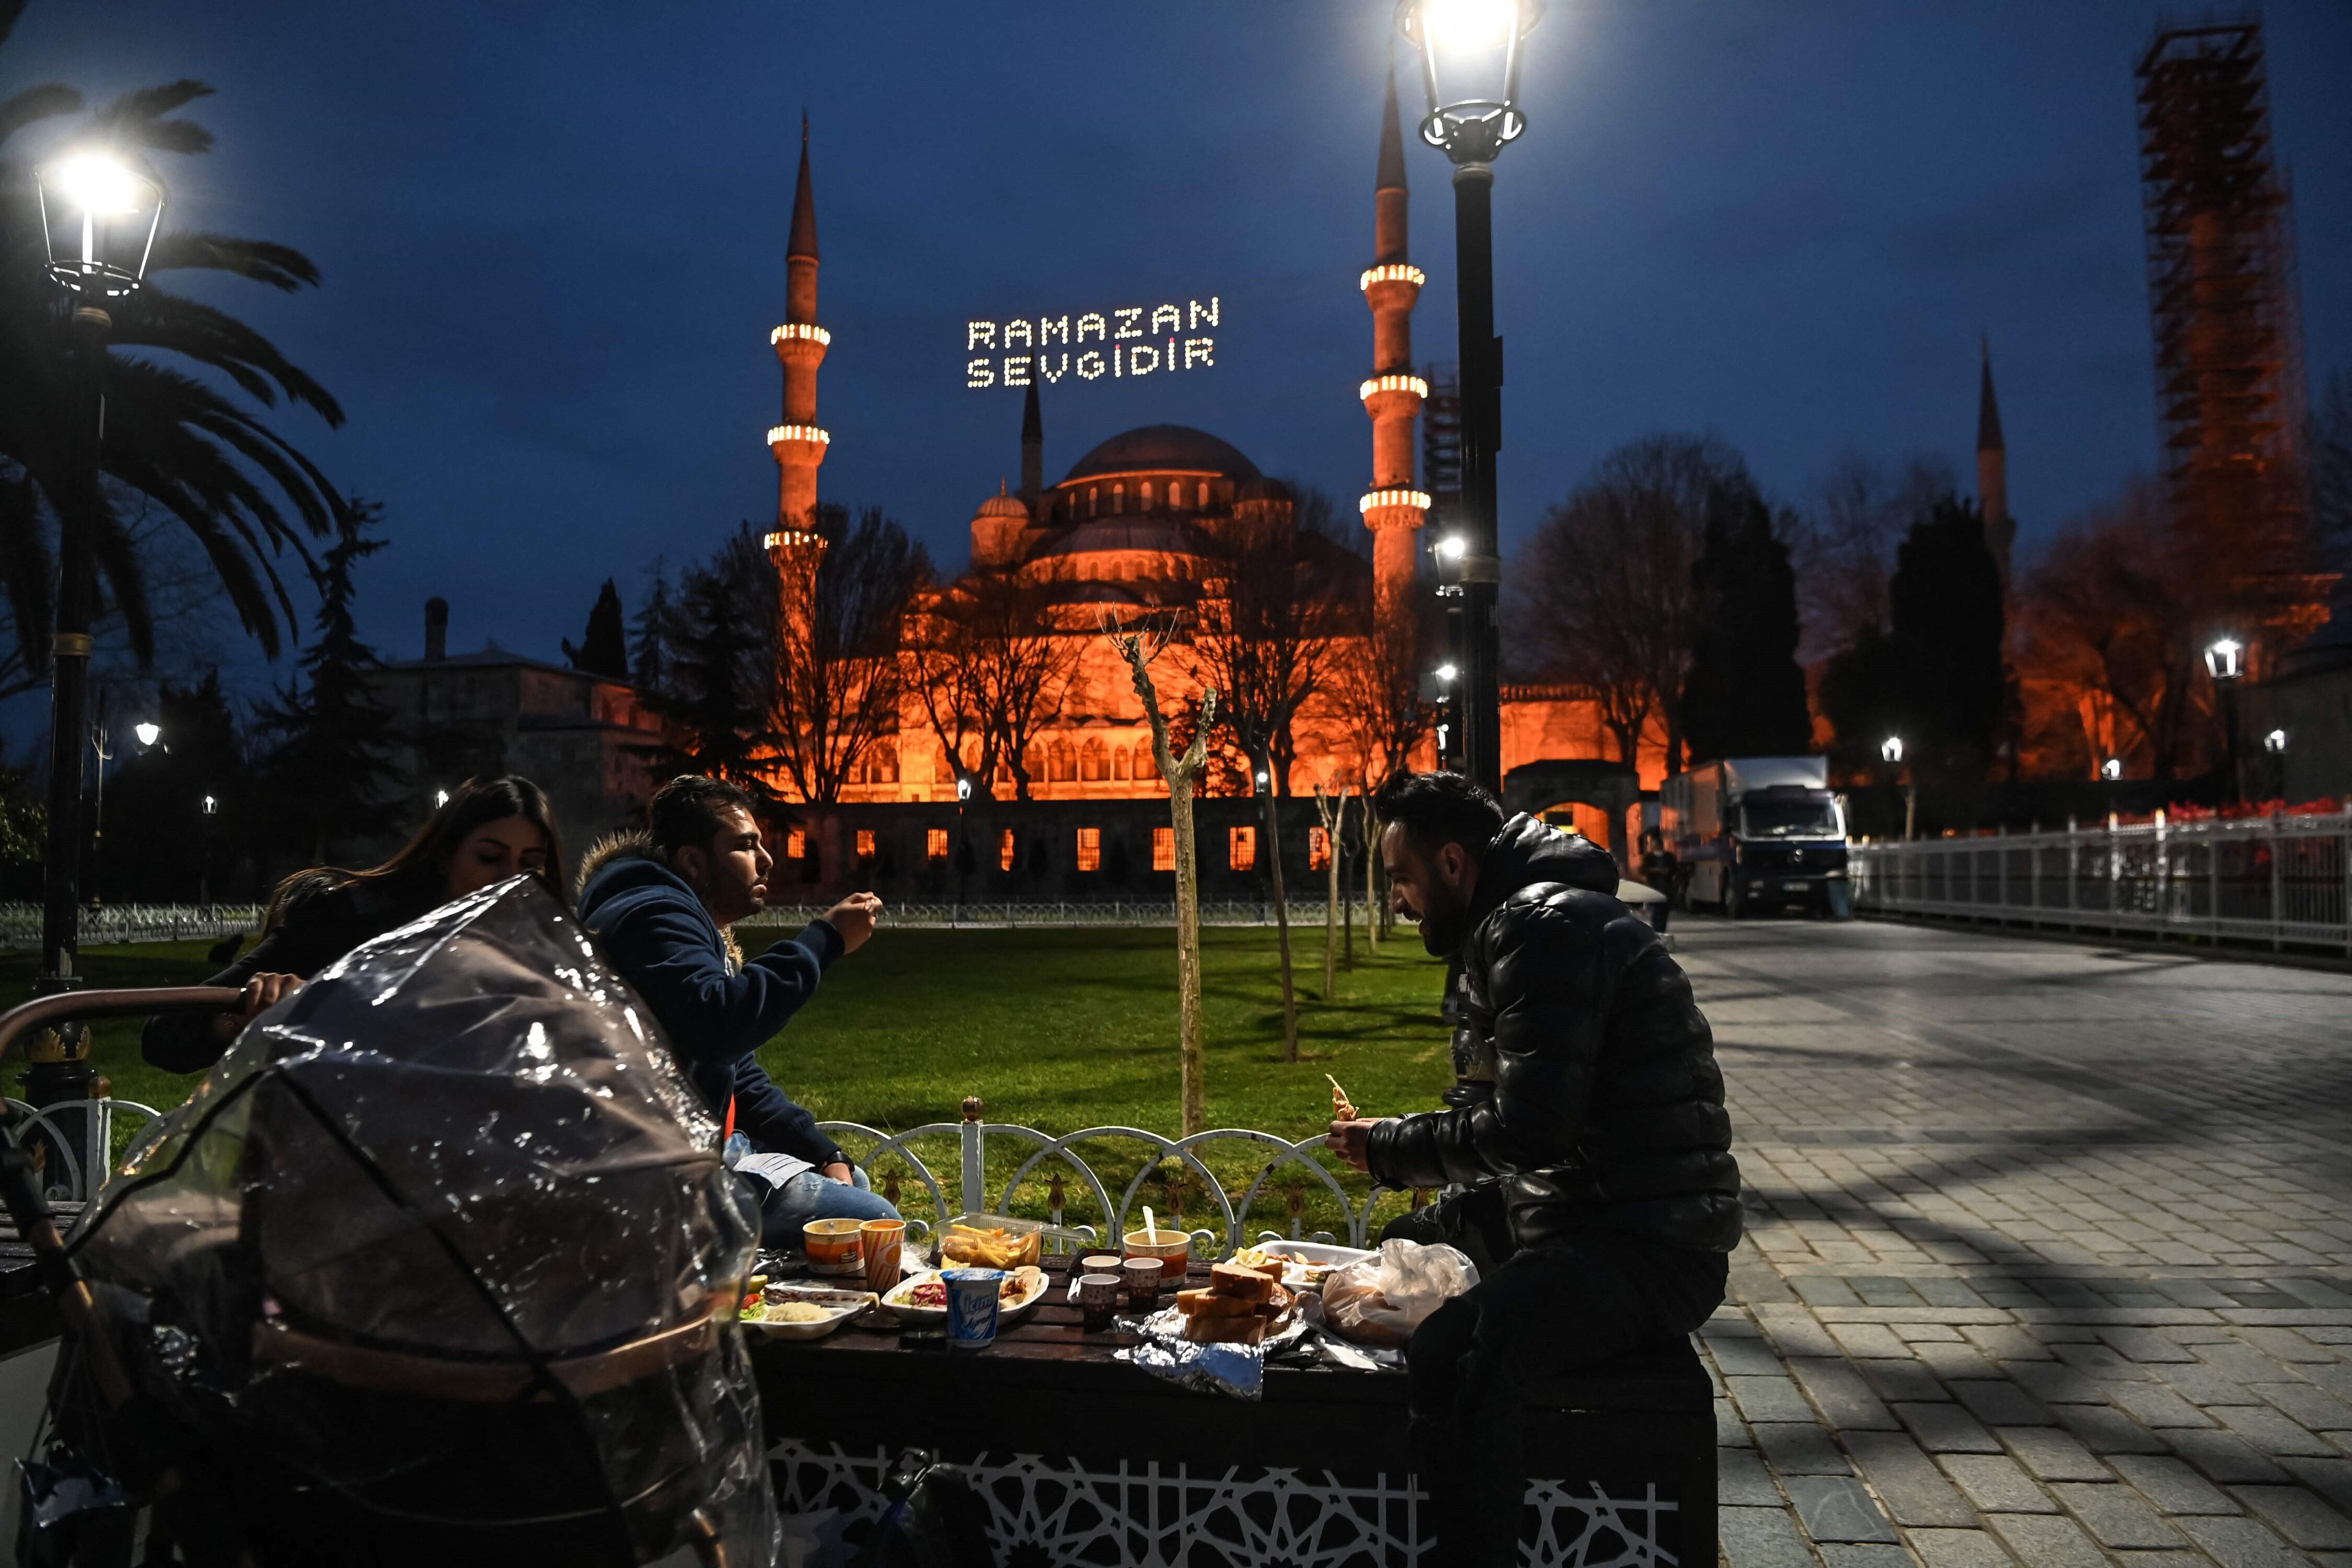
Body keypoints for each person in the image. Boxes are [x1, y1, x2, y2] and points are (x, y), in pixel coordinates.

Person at [1325, 771, 1740, 1568]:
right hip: (1589, 1212)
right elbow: (1503, 1104)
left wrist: (1392, 1148)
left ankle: (1477, 1552)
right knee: (1413, 1244)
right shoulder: (1520, 923)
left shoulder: (1541, 926)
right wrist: (1424, 1192)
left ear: (1452, 865)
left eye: (1403, 881)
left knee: (1465, 1346)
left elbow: (1532, 1128)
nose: (1398, 905)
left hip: (1649, 1245)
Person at [575, 775, 896, 1246]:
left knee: (854, 1186)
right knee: (871, 1223)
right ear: (693, 861)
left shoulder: (674, 915)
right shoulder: (652, 915)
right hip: (665, 1178)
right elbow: (719, 1024)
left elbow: (733, 1067)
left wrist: (819, 1148)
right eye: (746, 846)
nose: (766, 860)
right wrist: (825, 939)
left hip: (707, 1149)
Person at [142, 776, 566, 1074]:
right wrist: (249, 1017)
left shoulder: (554, 958)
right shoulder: (347, 920)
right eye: (490, 858)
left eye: (531, 865)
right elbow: (166, 1035)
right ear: (445, 856)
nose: (512, 881)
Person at [1638, 826, 1679, 934]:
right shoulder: (1649, 857)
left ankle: (1662, 929)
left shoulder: (1669, 857)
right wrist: (1655, 870)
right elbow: (1642, 870)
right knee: (1656, 911)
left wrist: (1668, 872)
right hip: (1654, 886)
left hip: (1667, 887)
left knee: (1664, 910)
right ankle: (1657, 930)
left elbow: (1676, 869)